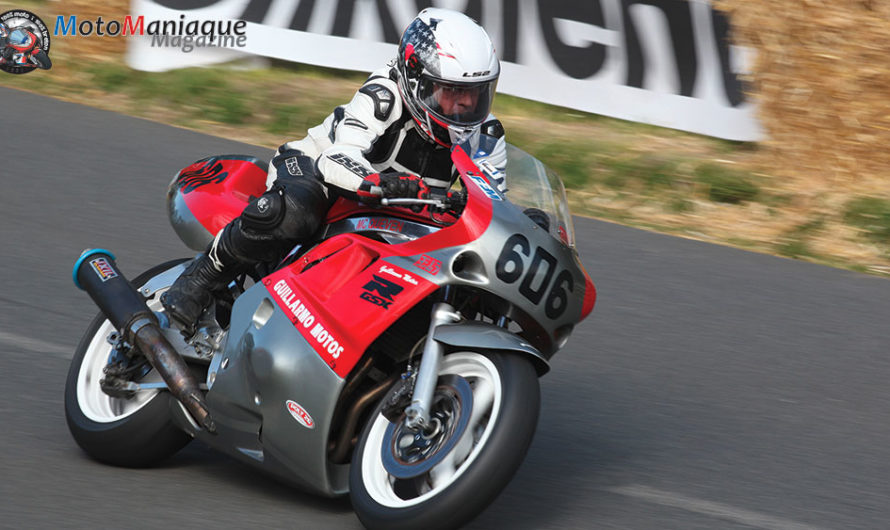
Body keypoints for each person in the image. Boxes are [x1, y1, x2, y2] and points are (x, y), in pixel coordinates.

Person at [161, 7, 507, 336]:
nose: (465, 105)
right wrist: (377, 182)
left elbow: (492, 200)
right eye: (452, 92)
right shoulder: (383, 96)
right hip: (316, 170)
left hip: (395, 214)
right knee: (296, 210)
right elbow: (337, 158)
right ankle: (201, 278)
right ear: (416, 80)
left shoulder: (487, 136)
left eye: (476, 94)